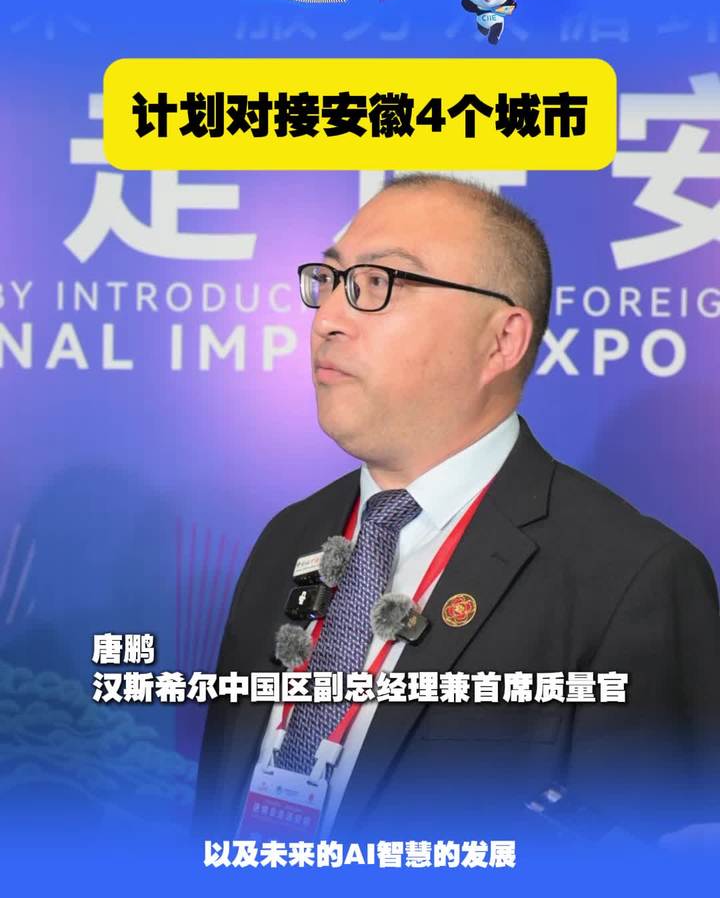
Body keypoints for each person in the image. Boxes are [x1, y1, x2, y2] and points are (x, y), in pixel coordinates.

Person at [195, 175, 720, 844]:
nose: (327, 318)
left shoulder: (633, 581)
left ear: (501, 341)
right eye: (329, 280)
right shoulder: (289, 537)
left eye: (379, 282)